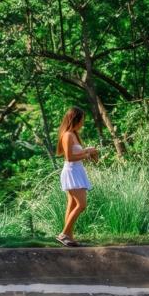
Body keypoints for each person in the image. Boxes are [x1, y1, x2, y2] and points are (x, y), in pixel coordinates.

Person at [56, 106, 98, 247]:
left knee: (72, 204)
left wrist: (88, 152)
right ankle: (63, 234)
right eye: (82, 120)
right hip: (71, 171)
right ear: (75, 119)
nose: (83, 123)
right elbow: (69, 157)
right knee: (81, 205)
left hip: (76, 170)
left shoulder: (74, 134)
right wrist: (87, 153)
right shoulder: (68, 135)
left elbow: (76, 155)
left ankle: (69, 237)